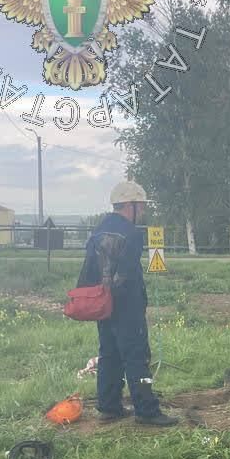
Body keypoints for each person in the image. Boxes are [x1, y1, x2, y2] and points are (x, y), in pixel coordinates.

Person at [77, 180, 177, 426]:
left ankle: (109, 405)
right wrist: (129, 301)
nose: (142, 211)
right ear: (130, 205)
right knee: (137, 357)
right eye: (140, 206)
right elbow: (127, 273)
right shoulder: (131, 234)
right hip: (127, 306)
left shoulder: (99, 230)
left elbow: (89, 271)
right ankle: (147, 410)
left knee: (109, 354)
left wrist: (101, 297)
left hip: (102, 304)